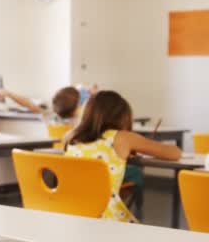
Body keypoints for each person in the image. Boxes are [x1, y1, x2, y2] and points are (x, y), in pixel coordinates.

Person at [64, 91, 181, 222]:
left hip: (73, 213)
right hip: (106, 217)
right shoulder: (123, 137)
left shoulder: (71, 137)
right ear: (121, 117)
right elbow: (174, 153)